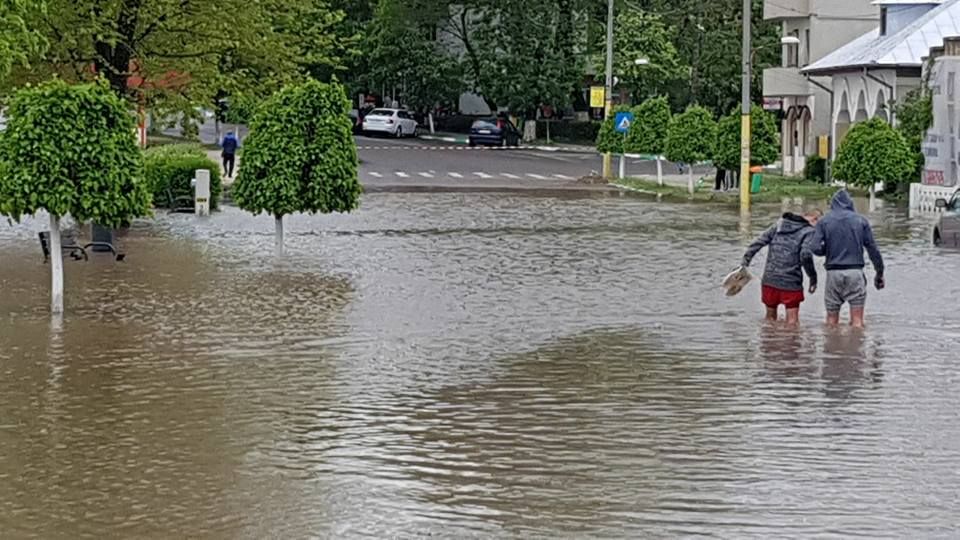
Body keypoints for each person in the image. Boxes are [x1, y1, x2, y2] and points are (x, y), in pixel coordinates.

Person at [808, 189, 884, 328]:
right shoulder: (861, 221)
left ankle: (831, 348)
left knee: (831, 321)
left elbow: (813, 247)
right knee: (857, 322)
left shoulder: (824, 221)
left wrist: (828, 251)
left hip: (833, 274)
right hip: (855, 273)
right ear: (850, 203)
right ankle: (856, 347)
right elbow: (873, 249)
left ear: (833, 204)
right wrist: (879, 273)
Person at [742, 209, 822, 324]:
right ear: (815, 219)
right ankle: (792, 342)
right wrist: (813, 277)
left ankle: (768, 341)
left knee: (769, 321)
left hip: (769, 280)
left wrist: (745, 262)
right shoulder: (809, 231)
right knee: (792, 323)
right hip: (791, 282)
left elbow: (758, 242)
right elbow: (805, 255)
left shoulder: (779, 224)